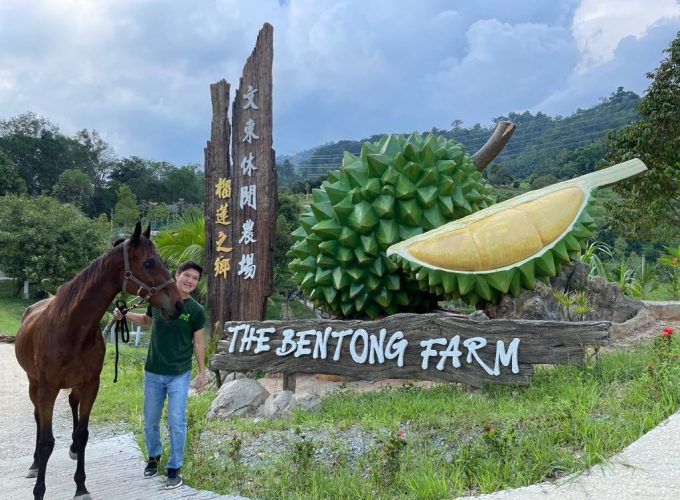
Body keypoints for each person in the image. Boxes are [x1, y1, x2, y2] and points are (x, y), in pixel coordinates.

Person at [113, 260, 206, 490]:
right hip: (153, 371)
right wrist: (124, 316)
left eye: (195, 278)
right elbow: (147, 320)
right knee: (151, 420)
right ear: (177, 275)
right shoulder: (157, 300)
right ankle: (153, 458)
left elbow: (199, 342)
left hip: (179, 374)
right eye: (187, 275)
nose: (190, 281)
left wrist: (202, 372)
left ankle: (174, 467)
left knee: (176, 420)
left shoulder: (195, 310)